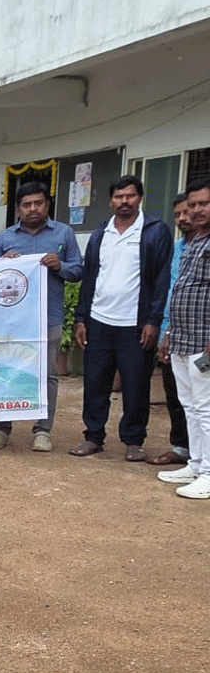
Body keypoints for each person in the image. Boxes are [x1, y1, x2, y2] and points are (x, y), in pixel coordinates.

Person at [69, 175, 172, 461]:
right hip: (99, 320)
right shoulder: (102, 232)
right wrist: (81, 317)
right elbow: (89, 277)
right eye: (118, 197)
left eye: (129, 196)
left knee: (136, 384)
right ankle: (93, 437)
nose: (124, 202)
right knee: (95, 382)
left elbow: (162, 280)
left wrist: (153, 320)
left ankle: (134, 440)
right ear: (111, 200)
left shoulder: (154, 231)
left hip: (135, 324)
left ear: (139, 198)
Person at [0, 182, 83, 452]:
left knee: (47, 374)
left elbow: (78, 270)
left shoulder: (64, 234)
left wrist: (59, 266)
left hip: (48, 317)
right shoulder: (5, 238)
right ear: (18, 209)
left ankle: (42, 430)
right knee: (5, 372)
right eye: (27, 205)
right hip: (10, 320)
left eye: (38, 203)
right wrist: (3, 263)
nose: (33, 209)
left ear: (47, 205)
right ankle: (1, 429)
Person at [156, 180, 210, 498]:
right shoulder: (192, 243)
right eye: (192, 205)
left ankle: (209, 472)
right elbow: (182, 291)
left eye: (204, 203)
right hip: (181, 339)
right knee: (189, 405)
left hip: (203, 342)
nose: (196, 210)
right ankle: (196, 463)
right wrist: (169, 333)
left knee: (205, 408)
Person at [149, 195, 193, 466]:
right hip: (172, 335)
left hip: (201, 337)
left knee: (203, 402)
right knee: (177, 397)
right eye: (177, 214)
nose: (183, 219)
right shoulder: (175, 249)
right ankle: (182, 448)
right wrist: (163, 332)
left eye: (187, 212)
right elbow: (167, 292)